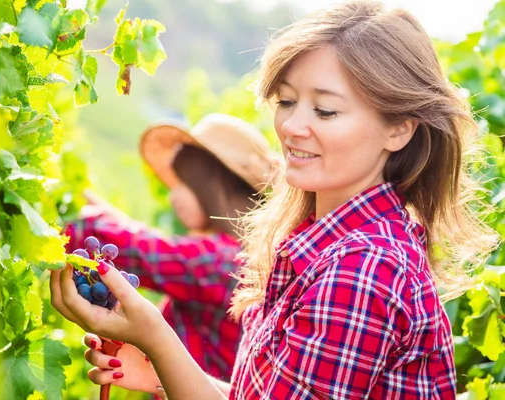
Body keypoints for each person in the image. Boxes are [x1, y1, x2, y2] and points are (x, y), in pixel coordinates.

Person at [50, 1, 500, 398]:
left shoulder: (361, 271)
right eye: (286, 101)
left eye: (325, 110)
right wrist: (160, 372)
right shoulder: (320, 247)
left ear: (399, 128)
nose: (291, 126)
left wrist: (154, 335)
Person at [63, 113, 275, 382]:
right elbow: (140, 238)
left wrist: (62, 211)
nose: (173, 196)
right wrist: (88, 198)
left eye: (181, 183)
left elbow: (141, 252)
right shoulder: (240, 254)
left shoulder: (219, 261)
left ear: (210, 186)